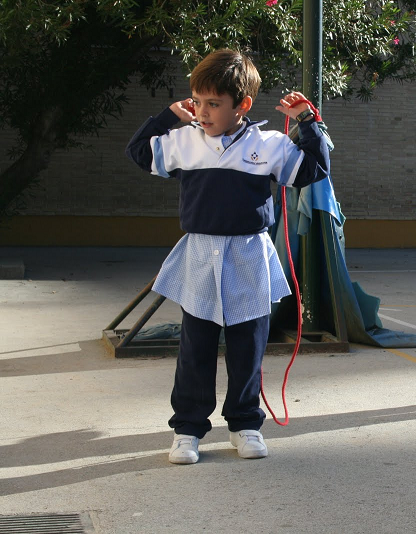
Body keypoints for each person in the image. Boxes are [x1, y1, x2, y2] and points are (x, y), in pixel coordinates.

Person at [125, 49, 331, 464]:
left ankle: (245, 424)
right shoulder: (182, 140)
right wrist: (168, 117)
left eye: (214, 104)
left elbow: (313, 170)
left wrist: (309, 122)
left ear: (243, 105)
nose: (202, 111)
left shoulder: (268, 144)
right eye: (198, 101)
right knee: (195, 346)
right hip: (200, 253)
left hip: (249, 253)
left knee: (247, 346)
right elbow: (139, 152)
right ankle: (187, 431)